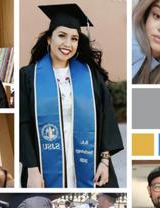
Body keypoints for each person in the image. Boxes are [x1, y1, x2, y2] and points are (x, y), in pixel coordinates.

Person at [20, 4, 124, 188]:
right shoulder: (29, 76)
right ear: (49, 39)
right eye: (62, 35)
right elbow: (24, 123)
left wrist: (105, 162)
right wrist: (32, 169)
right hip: (44, 166)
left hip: (87, 163)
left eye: (74, 38)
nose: (68, 44)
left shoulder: (90, 76)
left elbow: (106, 117)